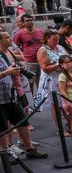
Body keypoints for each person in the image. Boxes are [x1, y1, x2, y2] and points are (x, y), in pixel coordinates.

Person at [0, 30, 47, 161]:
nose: (10, 39)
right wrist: (6, 72)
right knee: (2, 128)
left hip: (11, 95)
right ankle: (5, 154)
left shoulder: (7, 53)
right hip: (1, 98)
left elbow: (19, 60)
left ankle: (30, 149)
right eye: (7, 37)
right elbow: (5, 72)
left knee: (22, 123)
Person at [34, 30, 67, 123]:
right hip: (52, 80)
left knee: (65, 102)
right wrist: (59, 64)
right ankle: (60, 128)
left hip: (63, 77)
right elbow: (45, 68)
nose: (56, 41)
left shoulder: (60, 47)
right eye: (54, 39)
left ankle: (70, 123)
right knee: (56, 105)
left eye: (58, 39)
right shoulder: (43, 50)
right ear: (47, 39)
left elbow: (67, 58)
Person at [13, 14, 43, 95]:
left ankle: (40, 101)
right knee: (30, 83)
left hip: (41, 61)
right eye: (27, 21)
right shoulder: (20, 34)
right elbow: (14, 47)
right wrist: (19, 59)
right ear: (23, 23)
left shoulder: (40, 31)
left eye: (31, 20)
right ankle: (31, 102)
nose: (29, 22)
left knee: (41, 83)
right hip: (29, 62)